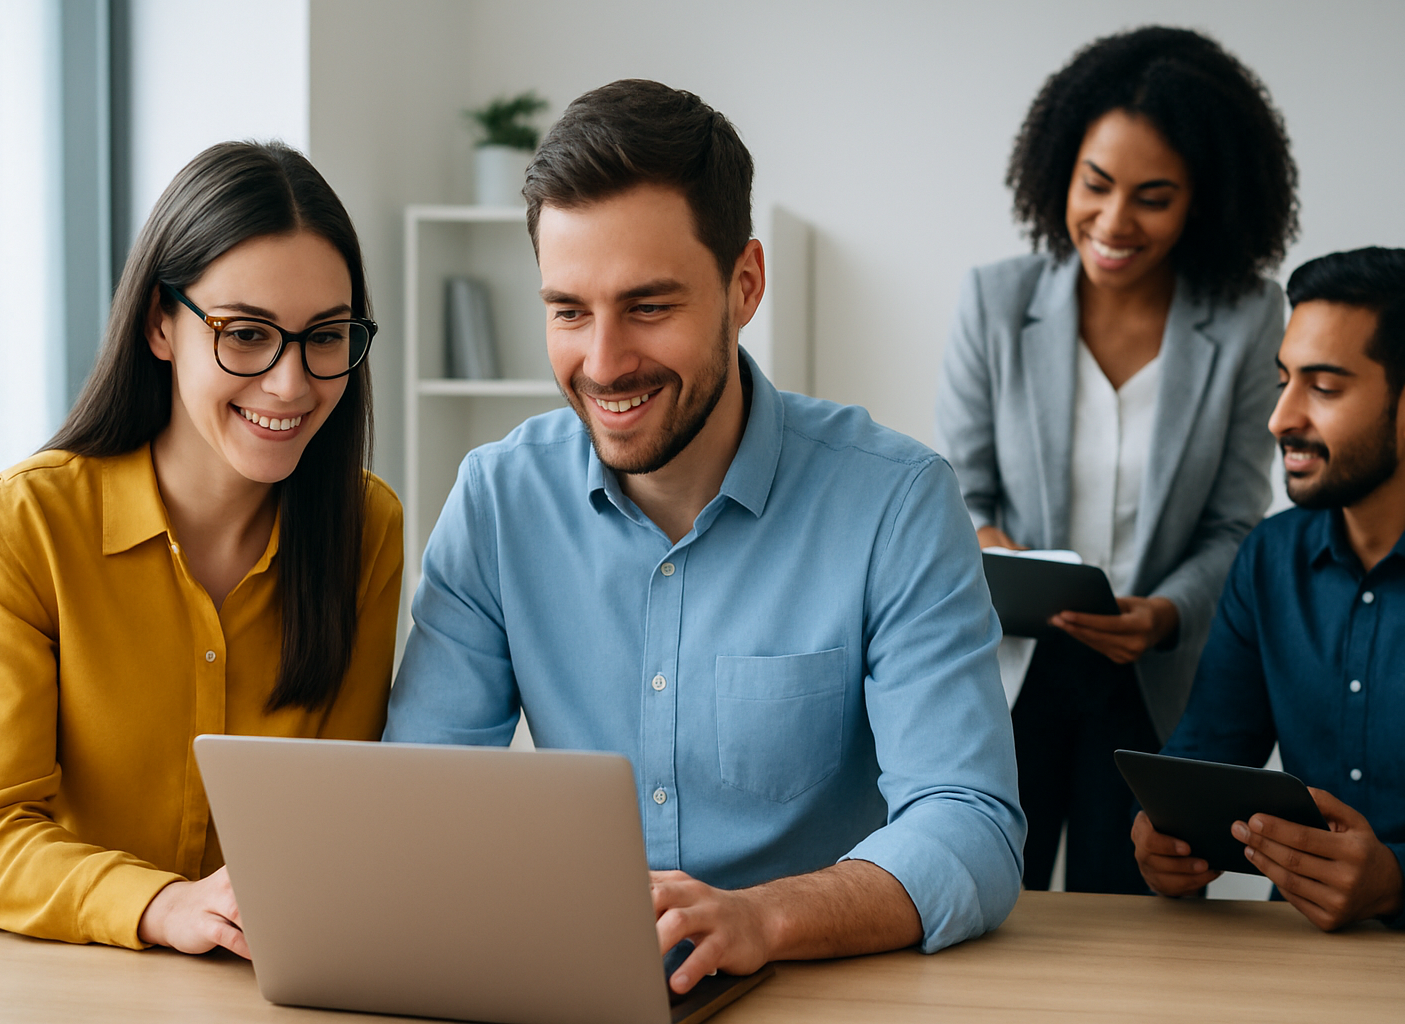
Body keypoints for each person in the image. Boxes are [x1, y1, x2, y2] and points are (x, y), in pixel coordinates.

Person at [383, 79, 1026, 993]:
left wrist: (763, 917)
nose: (603, 364)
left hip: (825, 990)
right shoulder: (497, 501)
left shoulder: (895, 502)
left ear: (746, 283)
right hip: (582, 989)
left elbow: (971, 823)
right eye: (568, 310)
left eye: (649, 307)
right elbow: (420, 807)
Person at [0, 142, 404, 955]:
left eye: (326, 336)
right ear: (160, 322)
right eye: (246, 334)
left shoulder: (367, 530)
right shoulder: (31, 523)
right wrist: (161, 904)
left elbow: (344, 817)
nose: (291, 384)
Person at [933, 26, 1299, 894]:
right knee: (981, 900)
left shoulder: (1248, 319)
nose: (1113, 222)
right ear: (1060, 168)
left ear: (1203, 200)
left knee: (1139, 926)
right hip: (1010, 668)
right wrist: (1001, 554)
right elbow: (958, 487)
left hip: (1149, 680)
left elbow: (1234, 522)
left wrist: (1165, 614)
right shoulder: (995, 301)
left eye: (1154, 197)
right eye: (1095, 185)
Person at [1134, 247, 1405, 930]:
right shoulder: (1269, 556)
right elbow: (1203, 757)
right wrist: (1165, 836)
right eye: (1284, 379)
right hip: (1294, 955)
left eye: (1323, 387)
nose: (1280, 418)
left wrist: (1400, 880)